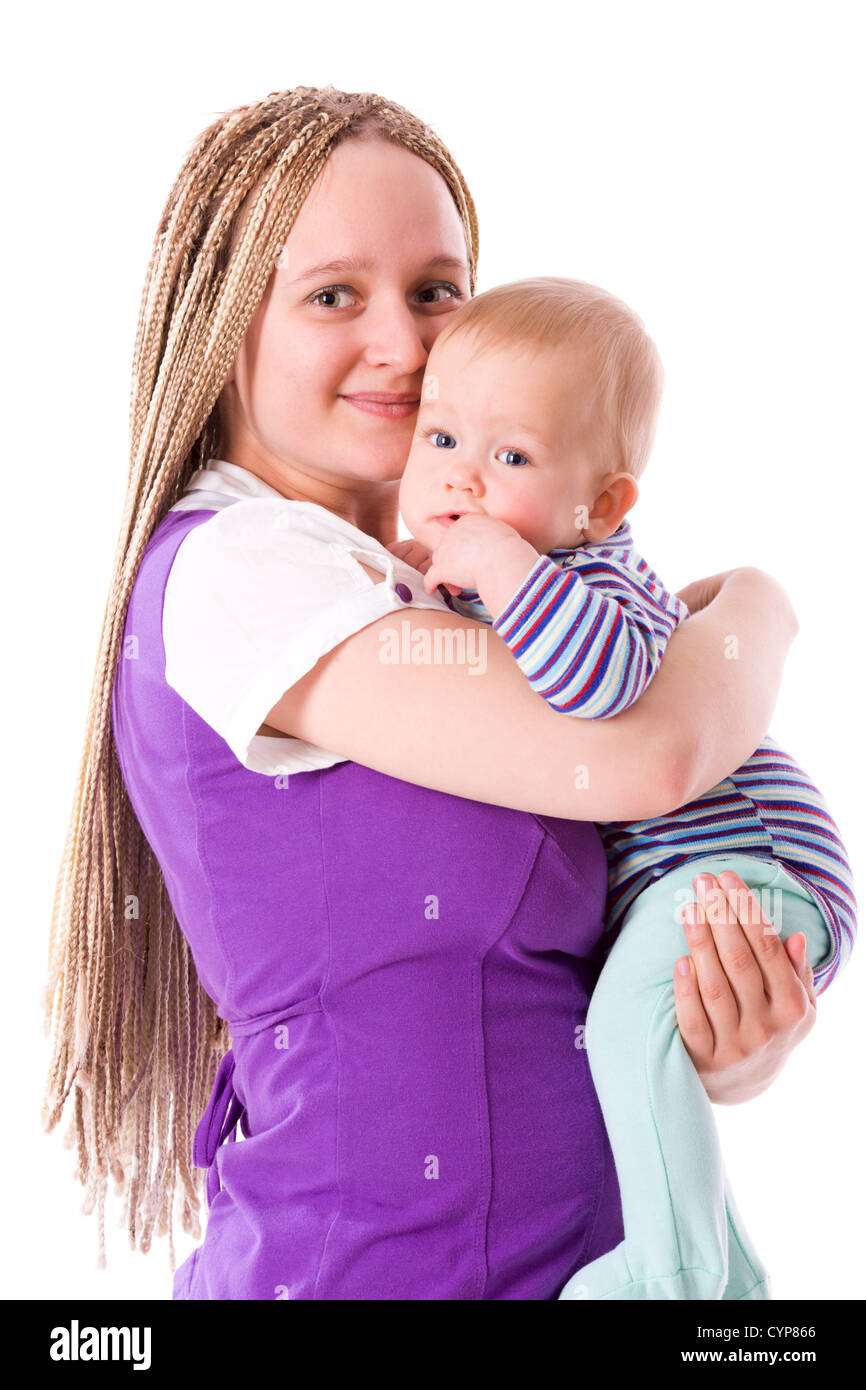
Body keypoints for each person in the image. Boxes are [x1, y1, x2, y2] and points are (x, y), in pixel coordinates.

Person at [42, 86, 812, 1300]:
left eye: (435, 292)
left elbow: (562, 955)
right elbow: (651, 757)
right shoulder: (245, 571)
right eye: (333, 294)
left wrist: (728, 1039)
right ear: (224, 320)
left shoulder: (450, 590)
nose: (403, 345)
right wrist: (763, 607)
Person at [389, 275, 856, 1298]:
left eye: (507, 456)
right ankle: (726, 1287)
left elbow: (601, 685)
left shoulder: (586, 577)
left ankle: (669, 1274)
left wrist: (496, 565)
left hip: (741, 860)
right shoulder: (521, 570)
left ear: (597, 505)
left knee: (619, 1029)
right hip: (706, 879)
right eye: (440, 439)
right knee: (643, 1040)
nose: (462, 480)